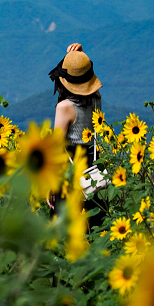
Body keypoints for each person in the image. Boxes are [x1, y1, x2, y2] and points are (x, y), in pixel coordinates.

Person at [47, 42, 107, 227]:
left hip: (71, 170)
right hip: (94, 166)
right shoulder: (96, 98)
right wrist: (79, 57)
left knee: (63, 231)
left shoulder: (64, 107)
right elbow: (82, 72)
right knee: (96, 226)